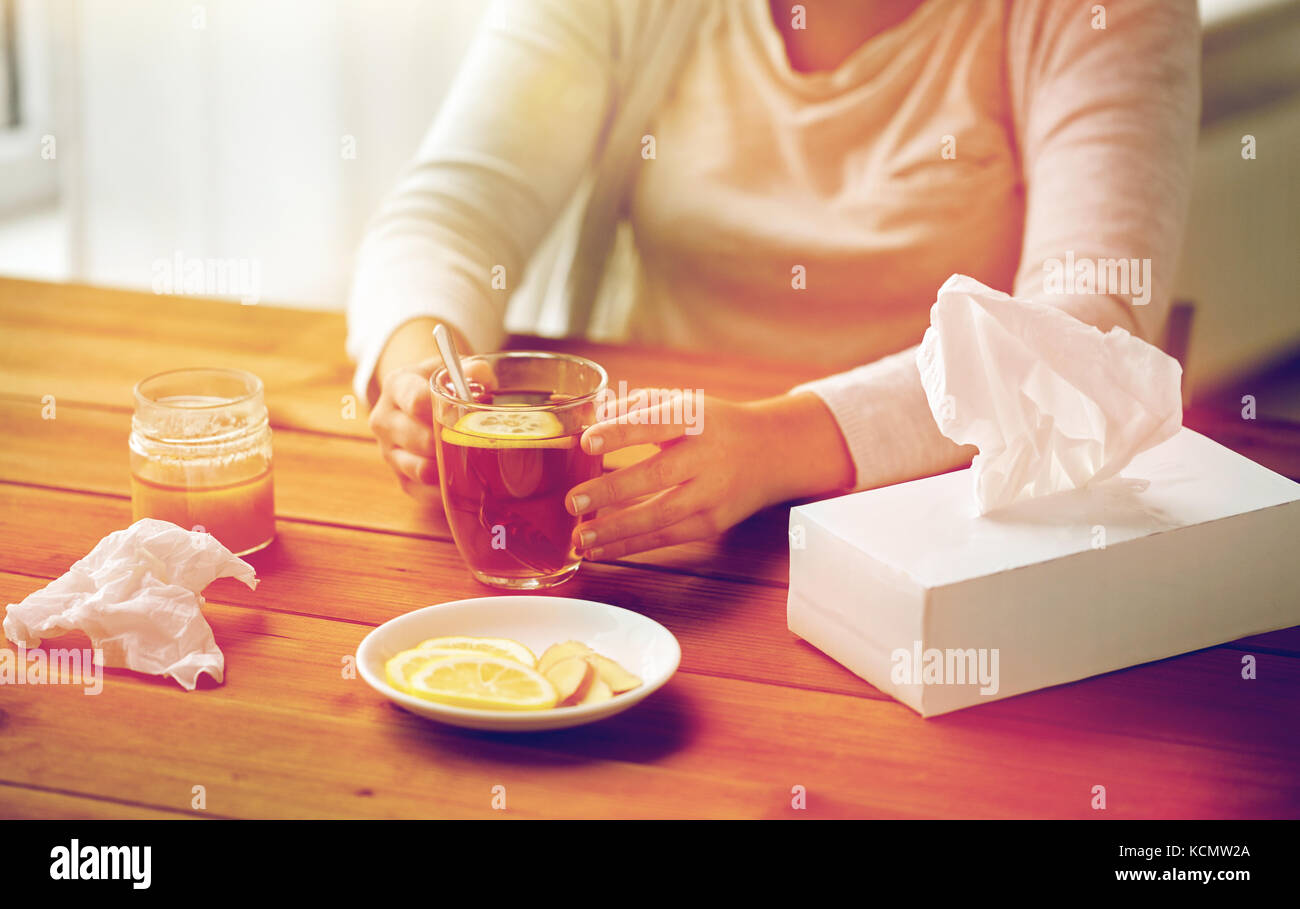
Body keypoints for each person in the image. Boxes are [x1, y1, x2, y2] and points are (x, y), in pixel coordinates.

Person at [348, 0, 1200, 560]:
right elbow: (457, 209)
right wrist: (422, 364)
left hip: (935, 538)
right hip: (643, 528)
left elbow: (1091, 326)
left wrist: (782, 443)